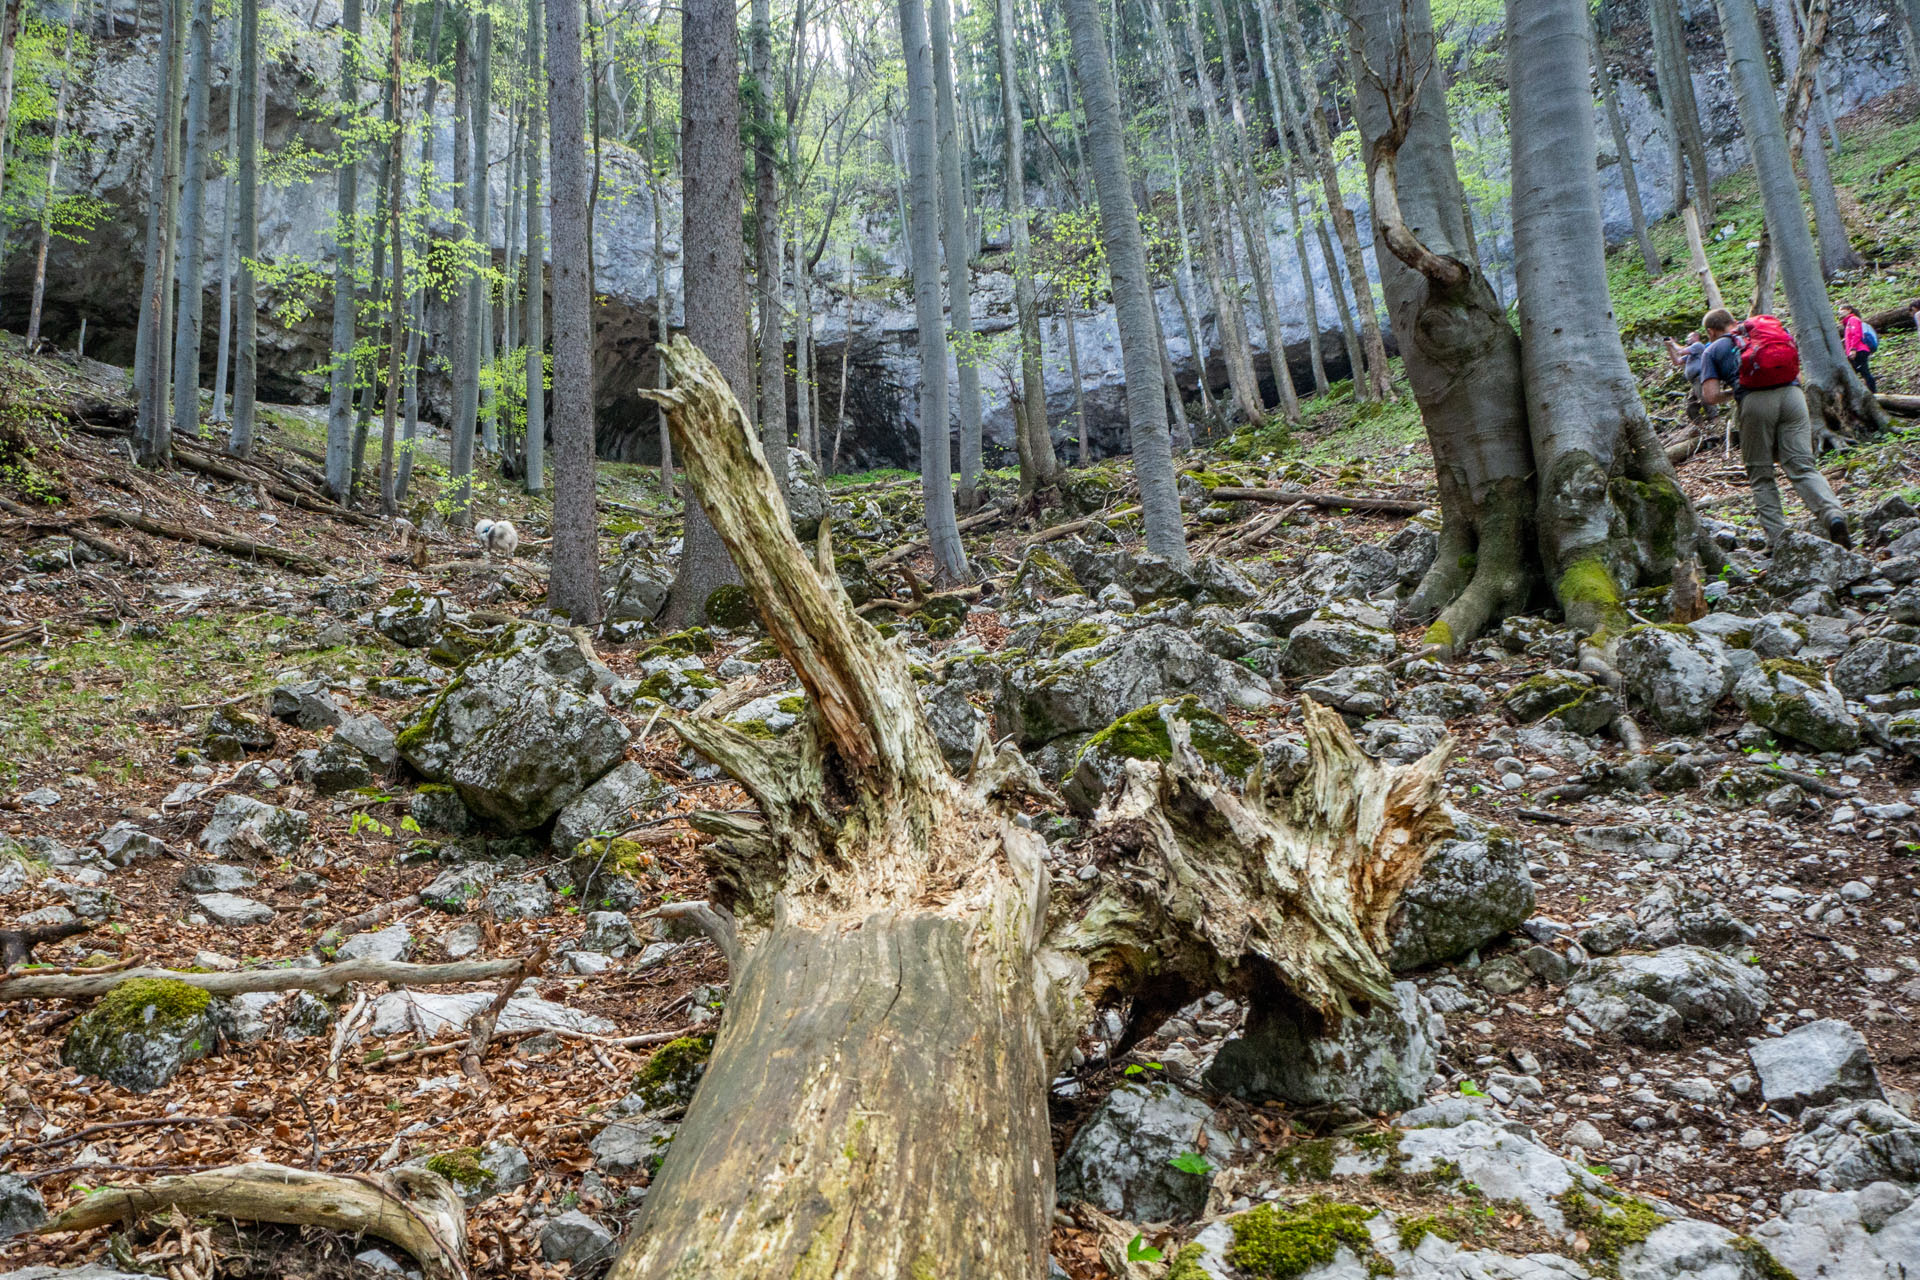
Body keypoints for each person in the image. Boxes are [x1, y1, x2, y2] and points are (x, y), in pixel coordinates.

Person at [1697, 308, 1851, 550]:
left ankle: (1778, 540)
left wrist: (1734, 392)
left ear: (1710, 331)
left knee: (1761, 474)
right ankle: (1833, 515)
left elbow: (1710, 396)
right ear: (1734, 322)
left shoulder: (1713, 349)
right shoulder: (1770, 334)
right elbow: (1797, 375)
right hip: (1793, 397)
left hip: (1755, 403)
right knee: (1802, 465)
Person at [1842, 305, 1878, 393]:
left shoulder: (1853, 319)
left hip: (1859, 350)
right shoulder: (1848, 322)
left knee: (1864, 372)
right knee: (1857, 371)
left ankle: (1873, 392)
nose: (1840, 312)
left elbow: (1857, 334)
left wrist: (1853, 349)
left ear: (1849, 310)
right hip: (1856, 350)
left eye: (1842, 310)